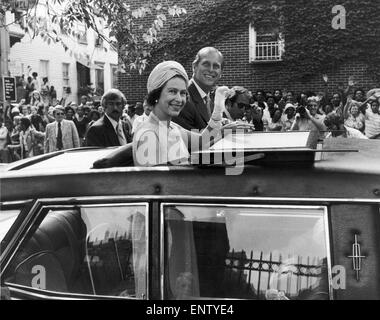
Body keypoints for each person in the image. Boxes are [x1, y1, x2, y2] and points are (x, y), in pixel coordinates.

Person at [133, 60, 229, 166]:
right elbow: (154, 181)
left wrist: (218, 109)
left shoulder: (172, 127)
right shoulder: (147, 134)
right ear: (156, 95)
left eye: (183, 93)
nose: (179, 99)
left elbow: (203, 140)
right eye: (172, 91)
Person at [173, 47, 224, 131]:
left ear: (221, 73)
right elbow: (191, 141)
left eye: (216, 66)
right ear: (194, 67)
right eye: (206, 64)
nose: (211, 69)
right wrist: (224, 131)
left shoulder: (208, 98)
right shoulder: (184, 99)